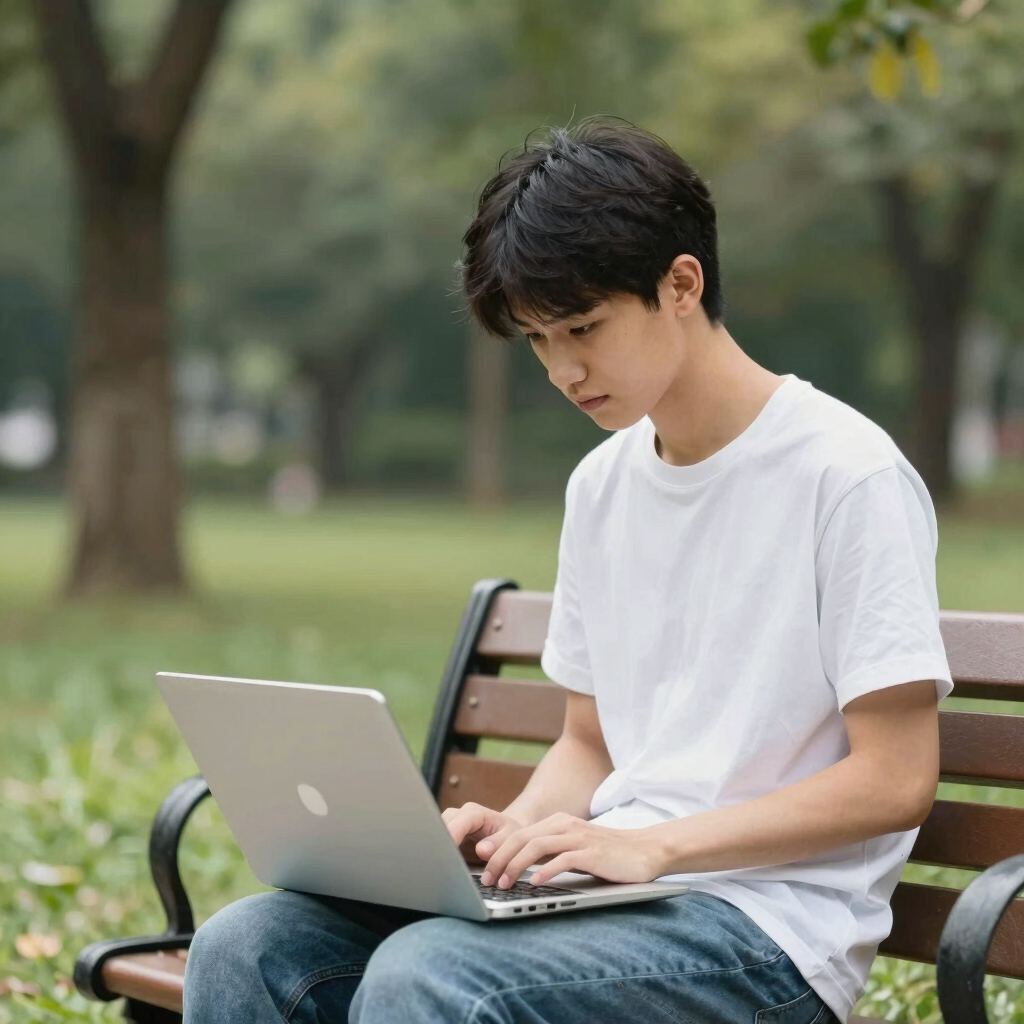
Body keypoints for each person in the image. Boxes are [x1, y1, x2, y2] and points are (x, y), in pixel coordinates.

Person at [183, 119, 952, 1024]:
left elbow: (896, 779)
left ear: (680, 284)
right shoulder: (603, 484)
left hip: (765, 936)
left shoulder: (844, 474)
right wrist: (516, 836)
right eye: (540, 340)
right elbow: (590, 742)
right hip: (610, 893)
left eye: (582, 327)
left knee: (430, 975)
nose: (564, 370)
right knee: (250, 946)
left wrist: (657, 849)